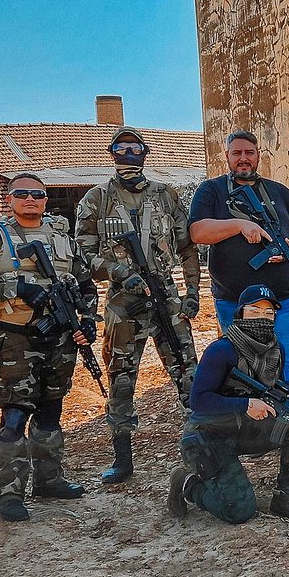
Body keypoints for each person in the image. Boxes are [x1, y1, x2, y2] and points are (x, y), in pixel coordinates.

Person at [0, 173, 99, 522]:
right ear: (9, 199)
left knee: (51, 409)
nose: (30, 200)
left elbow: (85, 284)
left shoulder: (62, 236)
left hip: (60, 336)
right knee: (14, 414)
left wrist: (87, 319)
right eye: (22, 193)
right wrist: (17, 289)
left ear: (46, 200)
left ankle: (49, 480)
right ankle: (9, 492)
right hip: (16, 336)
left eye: (38, 194)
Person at [74, 126, 202, 485]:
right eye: (121, 148)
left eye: (135, 148)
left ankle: (202, 448)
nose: (129, 154)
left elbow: (187, 247)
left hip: (165, 293)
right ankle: (123, 459)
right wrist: (119, 272)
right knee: (121, 378)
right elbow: (82, 254)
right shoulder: (96, 199)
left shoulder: (165, 195)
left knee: (188, 371)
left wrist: (192, 293)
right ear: (112, 153)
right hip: (123, 301)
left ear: (145, 153)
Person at [188, 131, 289, 454]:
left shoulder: (278, 191)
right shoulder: (211, 191)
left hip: (284, 296)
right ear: (226, 156)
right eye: (236, 153)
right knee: (240, 367)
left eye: (249, 152)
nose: (243, 159)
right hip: (234, 302)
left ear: (258, 155)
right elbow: (198, 231)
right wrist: (239, 225)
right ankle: (252, 432)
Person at [167, 284, 289, 523]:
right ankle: (187, 484)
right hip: (207, 435)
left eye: (269, 313)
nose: (262, 317)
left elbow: (275, 392)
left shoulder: (276, 351)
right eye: (254, 311)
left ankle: (284, 499)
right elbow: (198, 400)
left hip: (244, 430)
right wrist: (245, 405)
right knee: (239, 511)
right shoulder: (222, 350)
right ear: (240, 313)